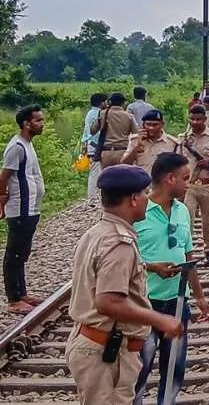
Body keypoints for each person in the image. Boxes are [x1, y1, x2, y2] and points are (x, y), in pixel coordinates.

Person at [67, 165, 183, 404]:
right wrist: (160, 320)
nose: (147, 200)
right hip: (105, 354)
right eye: (144, 194)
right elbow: (108, 301)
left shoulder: (97, 232)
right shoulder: (118, 243)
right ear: (133, 199)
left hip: (99, 347)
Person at [133, 153, 209, 405]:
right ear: (169, 179)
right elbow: (124, 259)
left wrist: (198, 296)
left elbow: (188, 255)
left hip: (177, 303)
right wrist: (151, 267)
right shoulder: (139, 212)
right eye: (185, 178)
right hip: (144, 304)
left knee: (174, 369)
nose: (188, 184)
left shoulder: (182, 211)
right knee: (139, 368)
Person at [2, 105, 47, 314]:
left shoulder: (28, 144)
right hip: (20, 209)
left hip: (30, 208)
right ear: (26, 124)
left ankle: (22, 293)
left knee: (23, 252)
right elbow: (4, 176)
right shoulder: (17, 147)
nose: (42, 124)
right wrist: (2, 200)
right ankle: (13, 299)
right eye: (38, 120)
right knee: (15, 254)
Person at [181, 105, 209, 267]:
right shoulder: (183, 139)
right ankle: (187, 251)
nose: (195, 122)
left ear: (205, 120)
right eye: (192, 119)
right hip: (189, 186)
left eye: (199, 119)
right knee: (187, 219)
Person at [93, 93, 138, 168]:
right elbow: (136, 133)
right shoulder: (129, 116)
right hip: (123, 152)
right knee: (123, 178)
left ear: (110, 102)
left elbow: (93, 130)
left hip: (106, 153)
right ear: (123, 103)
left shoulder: (103, 114)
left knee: (107, 178)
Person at [81, 93, 107, 205]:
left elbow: (86, 131)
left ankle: (94, 197)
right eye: (105, 101)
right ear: (101, 102)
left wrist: (85, 144)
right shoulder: (99, 114)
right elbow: (97, 133)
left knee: (96, 171)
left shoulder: (89, 113)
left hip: (90, 144)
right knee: (95, 172)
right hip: (96, 145)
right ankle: (92, 199)